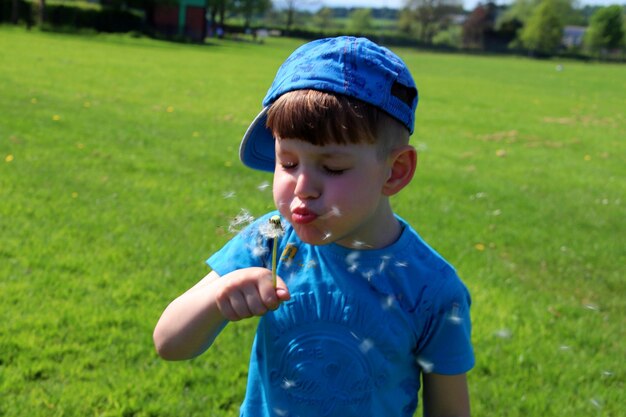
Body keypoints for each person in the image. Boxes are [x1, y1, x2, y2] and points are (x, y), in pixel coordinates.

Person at [153, 36, 474, 417]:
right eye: (288, 163)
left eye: (333, 167)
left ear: (395, 171)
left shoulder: (431, 288)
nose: (302, 188)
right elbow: (168, 343)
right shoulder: (269, 240)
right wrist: (218, 296)